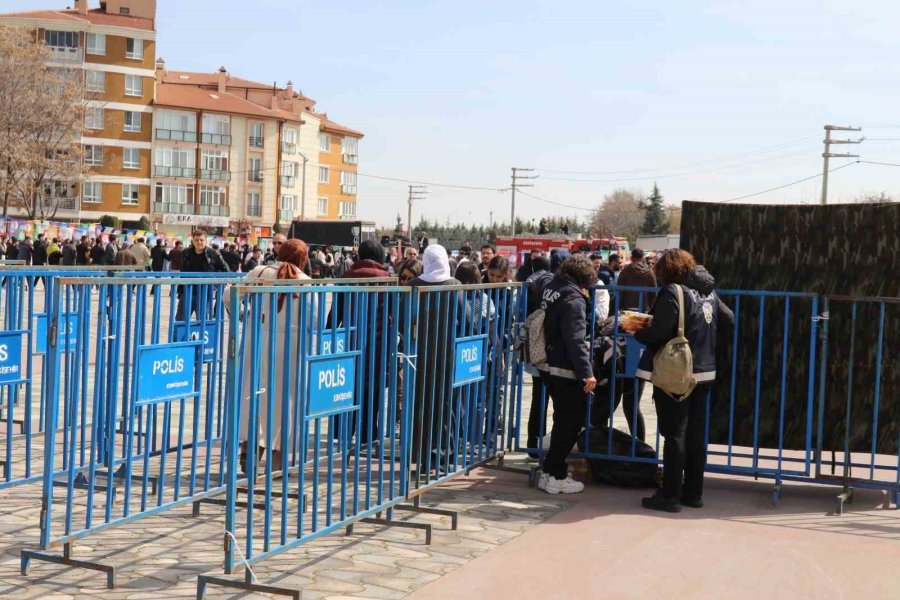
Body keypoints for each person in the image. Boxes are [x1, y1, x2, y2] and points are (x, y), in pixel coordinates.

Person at [624, 249, 733, 513]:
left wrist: (636, 329)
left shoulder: (674, 292)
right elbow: (729, 320)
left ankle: (669, 495)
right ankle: (693, 492)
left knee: (674, 434)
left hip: (677, 374)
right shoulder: (708, 291)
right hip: (705, 371)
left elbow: (659, 331)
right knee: (696, 435)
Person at [240, 239, 311, 472]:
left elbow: (230, 295)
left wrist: (243, 316)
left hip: (258, 340)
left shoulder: (261, 271)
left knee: (255, 396)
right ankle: (277, 460)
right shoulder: (306, 283)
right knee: (286, 402)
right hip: (291, 346)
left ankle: (251, 445)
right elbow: (314, 321)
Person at [537, 254, 598, 495]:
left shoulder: (551, 287)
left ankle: (549, 472)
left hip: (549, 363)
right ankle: (556, 475)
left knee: (561, 420)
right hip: (566, 368)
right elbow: (576, 339)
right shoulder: (574, 298)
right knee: (570, 422)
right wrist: (587, 373)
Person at [330, 240, 391, 445]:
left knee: (346, 389)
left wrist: (331, 334)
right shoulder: (387, 279)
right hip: (378, 342)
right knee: (371, 390)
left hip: (349, 341)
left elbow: (335, 314)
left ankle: (342, 436)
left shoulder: (347, 277)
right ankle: (367, 439)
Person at [408, 245, 462, 467]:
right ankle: (445, 453)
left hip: (419, 352)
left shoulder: (414, 285)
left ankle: (422, 455)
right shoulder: (454, 285)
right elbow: (467, 318)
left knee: (421, 402)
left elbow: (403, 316)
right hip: (447, 352)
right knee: (444, 401)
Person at [523, 256, 553, 455]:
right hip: (551, 347)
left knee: (538, 397)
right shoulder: (554, 283)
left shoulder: (528, 283)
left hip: (534, 346)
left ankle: (534, 443)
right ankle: (546, 445)